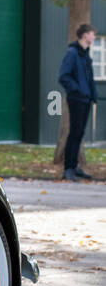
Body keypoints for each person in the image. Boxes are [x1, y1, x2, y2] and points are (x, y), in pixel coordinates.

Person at [57, 22, 98, 182]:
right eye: (93, 34)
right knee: (74, 133)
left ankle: (74, 167)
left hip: (86, 100)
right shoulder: (72, 53)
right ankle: (68, 169)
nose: (94, 36)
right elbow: (63, 76)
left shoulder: (85, 54)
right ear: (85, 35)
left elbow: (89, 78)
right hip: (76, 99)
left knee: (79, 134)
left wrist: (91, 95)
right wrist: (78, 90)